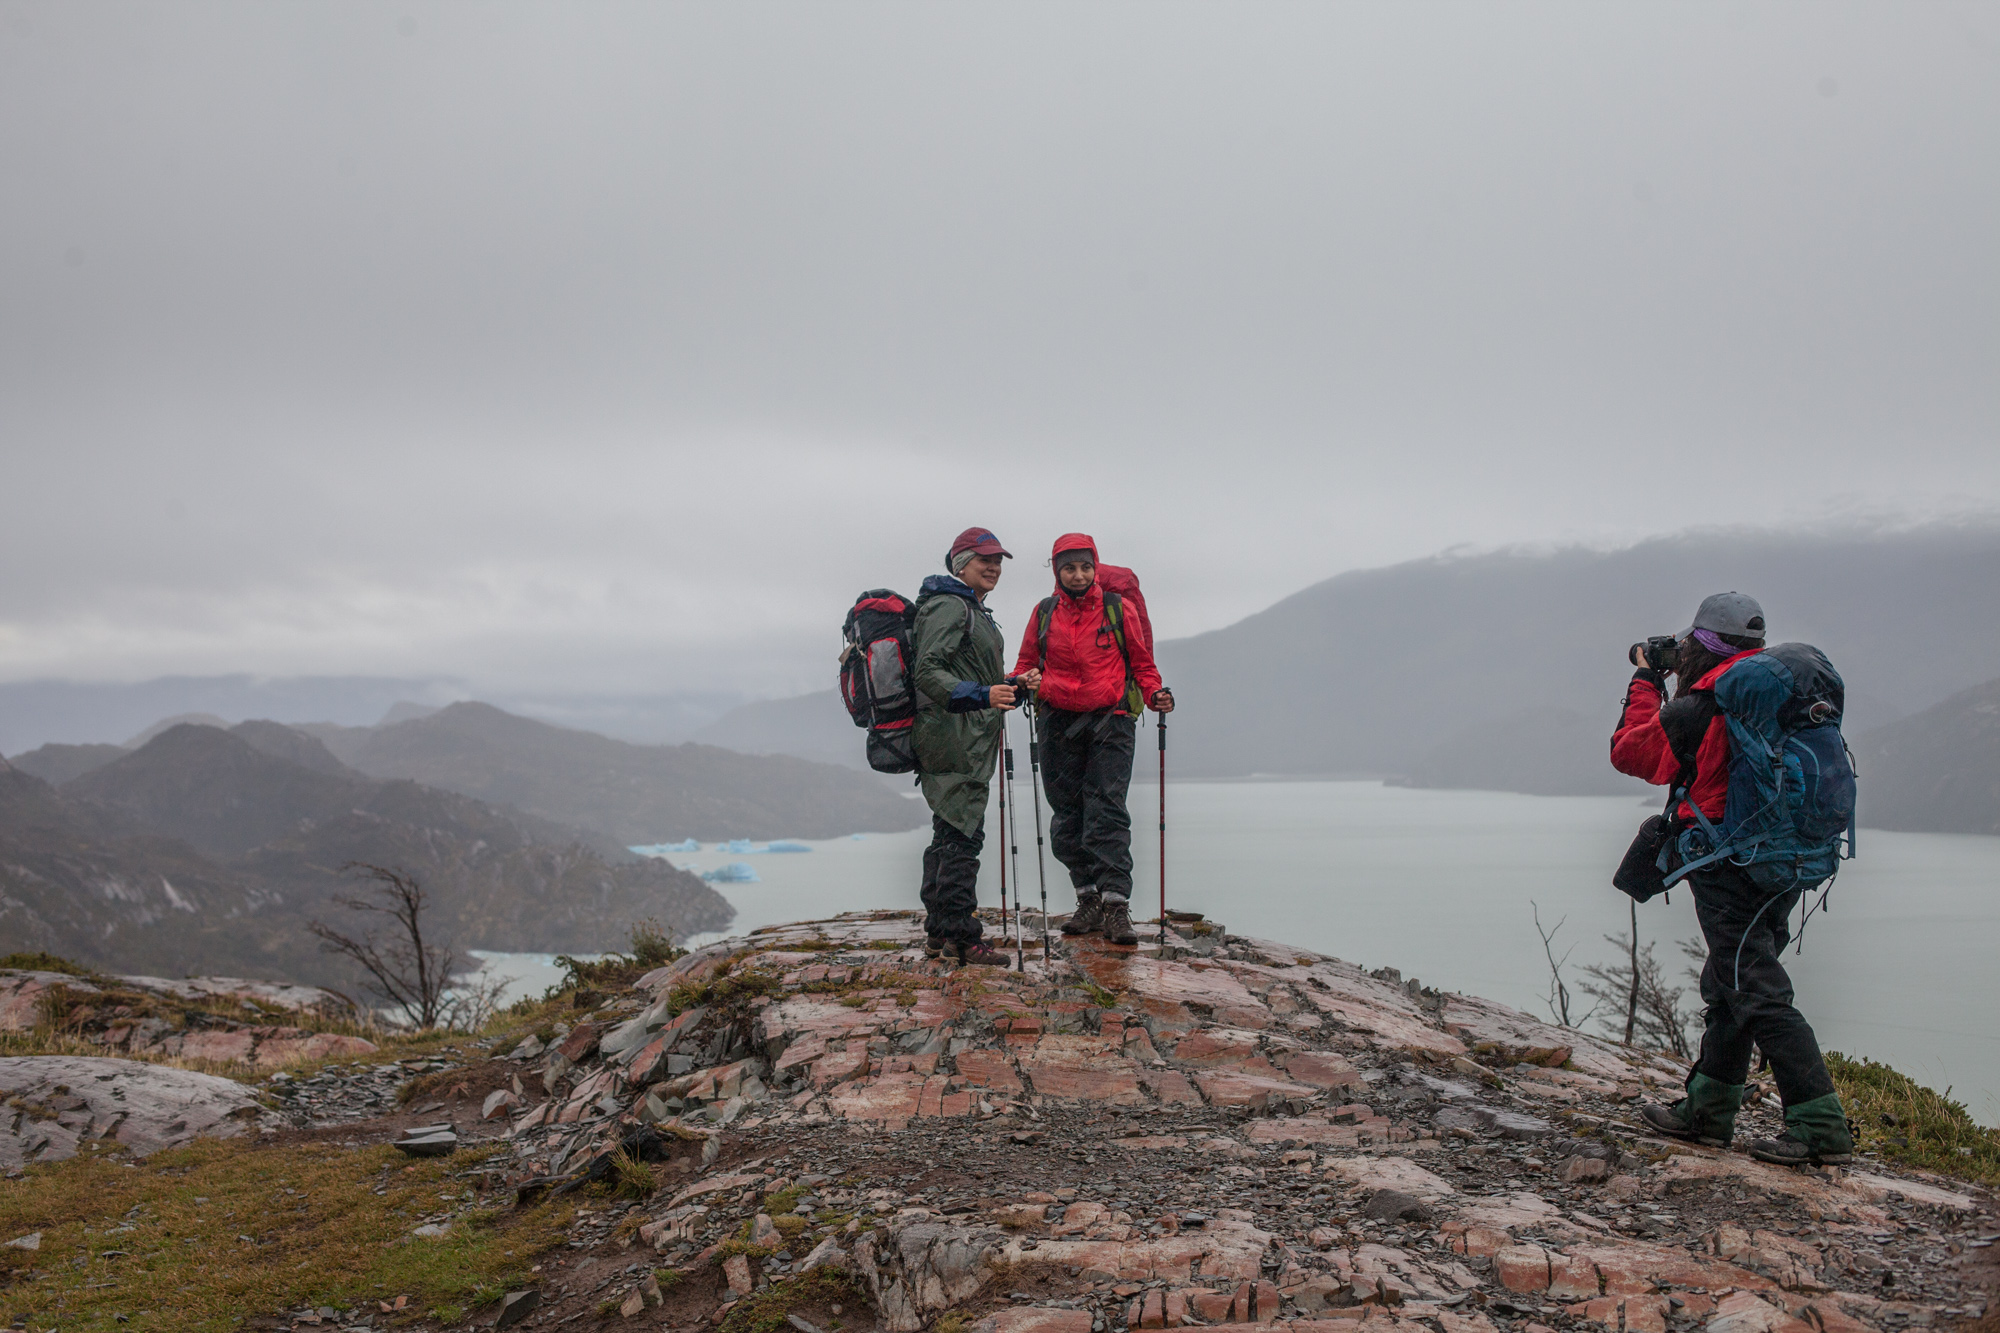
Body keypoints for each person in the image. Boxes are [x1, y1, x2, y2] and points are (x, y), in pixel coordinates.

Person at [1610, 592, 1853, 1167]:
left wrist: (1646, 680)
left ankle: (1821, 1127)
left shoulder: (1705, 702)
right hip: (1784, 858)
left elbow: (1632, 752)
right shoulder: (1768, 695)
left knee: (1754, 989)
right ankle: (1707, 1111)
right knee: (1730, 981)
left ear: (1700, 643)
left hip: (1728, 862)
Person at [1011, 534, 1173, 948]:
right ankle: (1088, 898)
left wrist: (1155, 694)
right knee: (1067, 812)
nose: (1078, 575)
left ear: (1095, 566)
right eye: (1069, 568)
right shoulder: (1044, 612)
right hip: (1057, 719)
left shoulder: (1119, 609)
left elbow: (1142, 662)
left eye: (1085, 567)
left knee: (1106, 810)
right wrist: (1016, 683)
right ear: (1056, 570)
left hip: (1111, 719)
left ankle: (1116, 905)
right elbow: (1026, 662)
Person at [912, 526, 1034, 966]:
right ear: (960, 562)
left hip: (964, 734)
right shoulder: (949, 606)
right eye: (985, 559)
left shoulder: (969, 608)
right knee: (963, 835)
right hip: (953, 738)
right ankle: (962, 937)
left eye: (999, 560)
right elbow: (928, 671)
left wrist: (1010, 687)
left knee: (949, 832)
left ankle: (939, 932)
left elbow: (972, 677)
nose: (994, 566)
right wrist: (984, 696)